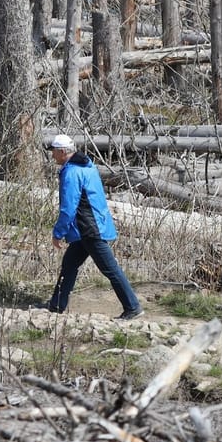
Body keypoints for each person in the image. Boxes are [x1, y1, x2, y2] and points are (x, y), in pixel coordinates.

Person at [40, 134, 143, 320]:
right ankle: (56, 305)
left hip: (88, 229)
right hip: (90, 226)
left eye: (54, 151)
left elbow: (68, 208)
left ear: (62, 152)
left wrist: (58, 232)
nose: (52, 155)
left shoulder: (71, 173)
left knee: (110, 269)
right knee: (69, 265)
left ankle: (132, 306)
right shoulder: (87, 166)